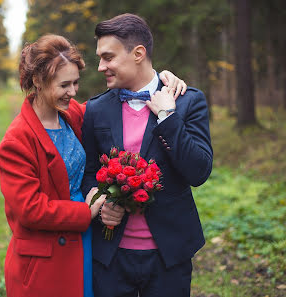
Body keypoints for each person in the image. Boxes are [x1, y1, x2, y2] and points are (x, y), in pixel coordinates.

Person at [0, 34, 187, 297]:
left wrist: (161, 79)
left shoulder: (72, 114)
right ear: (38, 82)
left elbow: (114, 108)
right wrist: (85, 213)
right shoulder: (17, 140)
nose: (73, 92)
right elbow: (29, 210)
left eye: (76, 83)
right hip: (47, 255)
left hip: (83, 244)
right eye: (64, 85)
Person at [81, 14, 213, 297]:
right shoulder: (95, 109)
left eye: (108, 57)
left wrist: (167, 117)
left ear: (138, 53)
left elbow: (199, 171)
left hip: (170, 255)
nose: (100, 66)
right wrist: (101, 206)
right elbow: (89, 172)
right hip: (111, 256)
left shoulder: (189, 101)